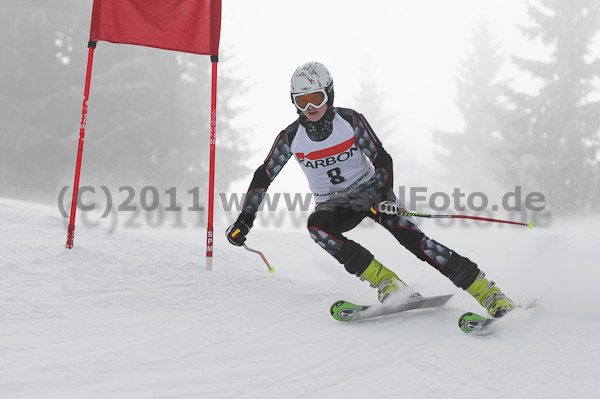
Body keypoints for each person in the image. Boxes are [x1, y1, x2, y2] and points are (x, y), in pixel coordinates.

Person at [226, 61, 516, 318]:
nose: (310, 108)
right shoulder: (291, 137)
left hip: (372, 192)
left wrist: (386, 194)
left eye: (316, 98)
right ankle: (388, 283)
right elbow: (264, 176)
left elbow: (381, 158)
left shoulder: (350, 121)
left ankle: (488, 293)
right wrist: (244, 221)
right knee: (318, 227)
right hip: (334, 205)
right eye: (302, 101)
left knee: (415, 242)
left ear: (330, 94)